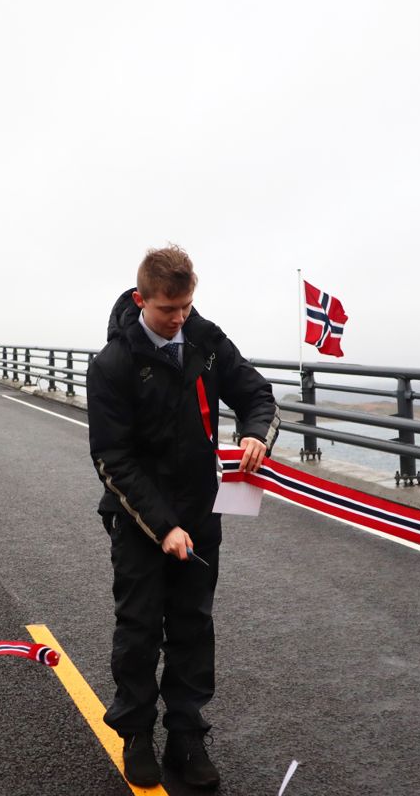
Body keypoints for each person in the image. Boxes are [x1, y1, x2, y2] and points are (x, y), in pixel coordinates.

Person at [86, 245, 279, 788]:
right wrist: (163, 527)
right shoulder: (112, 364)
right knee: (140, 628)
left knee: (193, 628)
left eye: (187, 306)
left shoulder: (207, 340)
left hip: (200, 512)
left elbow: (257, 393)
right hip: (138, 518)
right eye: (168, 309)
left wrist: (253, 432)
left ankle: (187, 737)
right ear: (142, 297)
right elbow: (112, 460)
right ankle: (137, 734)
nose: (179, 319)